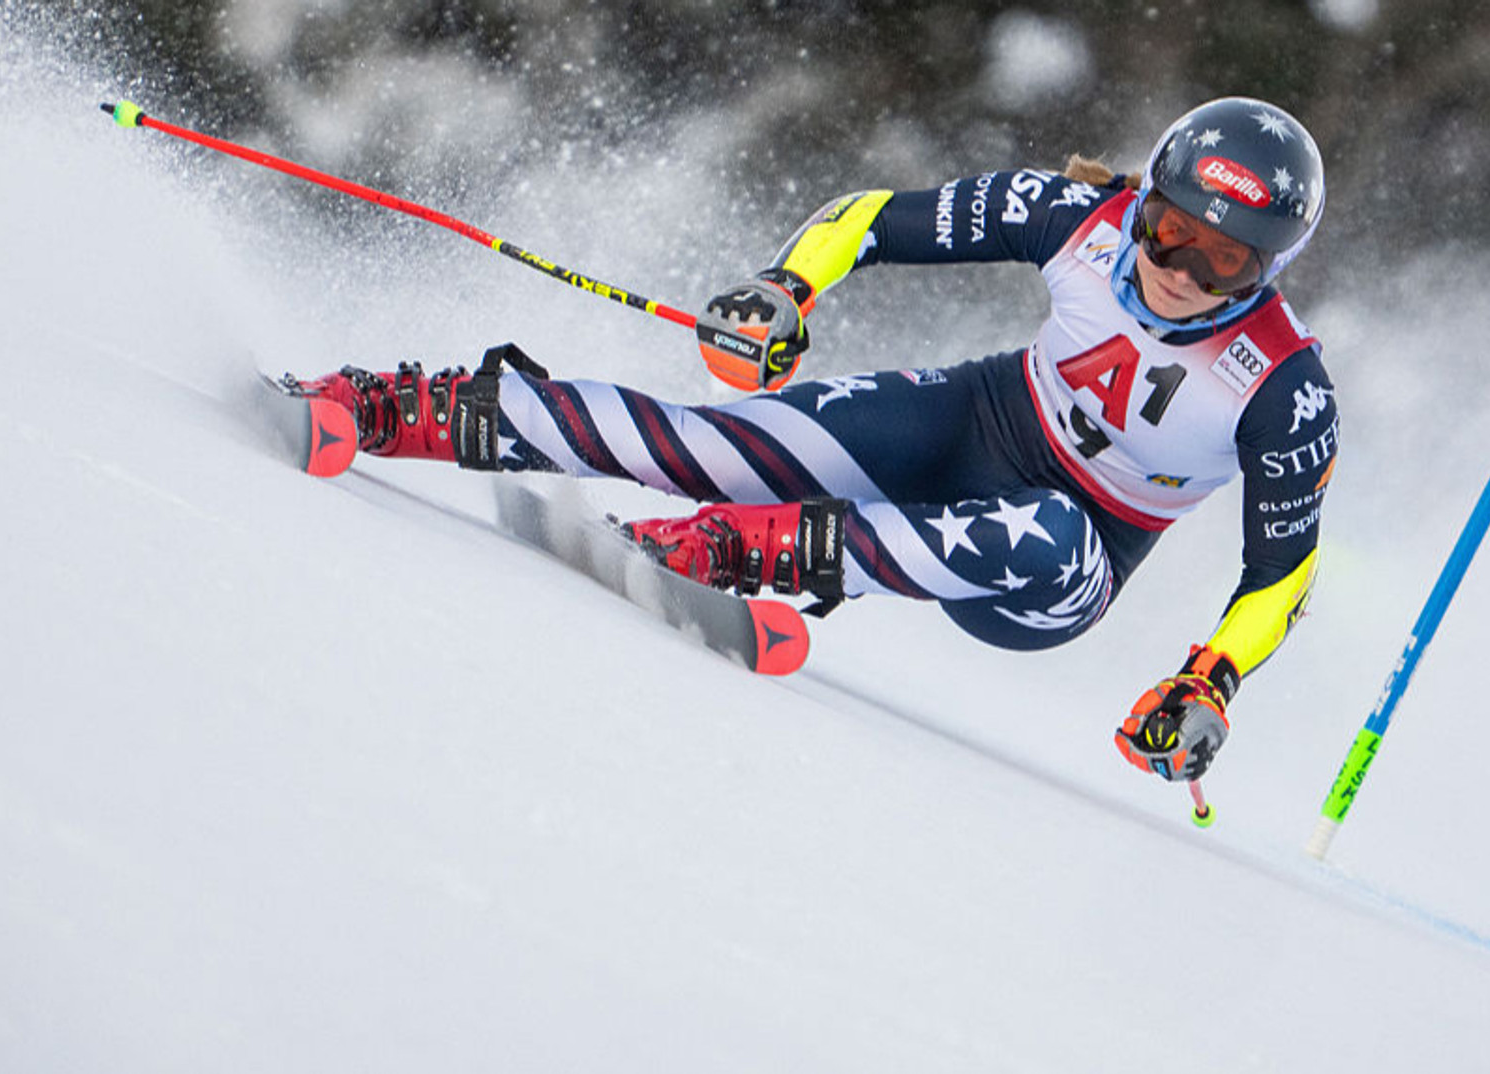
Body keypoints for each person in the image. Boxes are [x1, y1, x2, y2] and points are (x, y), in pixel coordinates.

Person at [290, 96, 1337, 788]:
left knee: (1046, 533)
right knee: (710, 444)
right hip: (977, 418)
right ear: (1145, 199)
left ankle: (713, 550)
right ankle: (391, 406)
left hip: (1072, 563)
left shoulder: (1285, 387)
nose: (1183, 273)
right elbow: (874, 215)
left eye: (1226, 265)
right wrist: (784, 290)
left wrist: (1211, 682)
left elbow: (1284, 572)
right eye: (1171, 233)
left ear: (1271, 272)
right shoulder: (1077, 215)